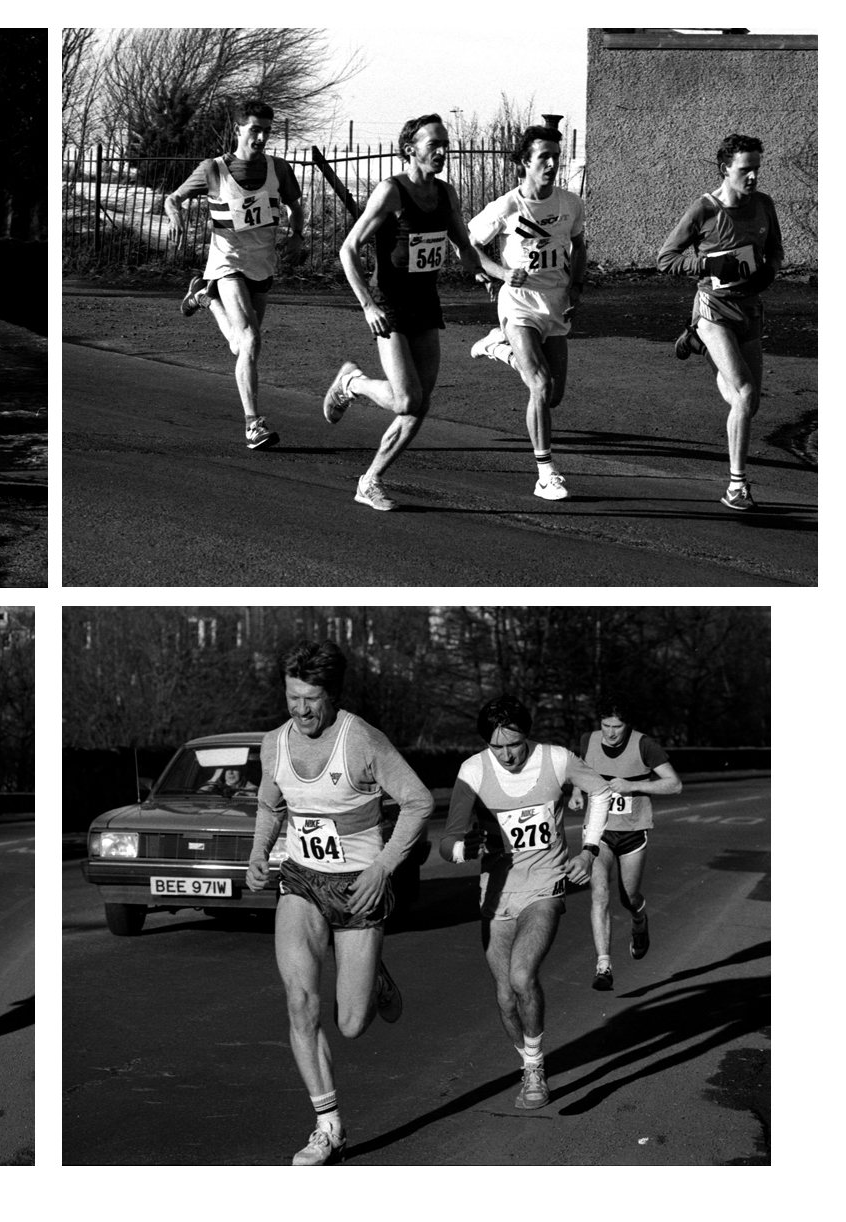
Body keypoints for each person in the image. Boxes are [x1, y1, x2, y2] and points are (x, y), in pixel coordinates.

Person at [244, 640, 431, 1166]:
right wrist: (259, 854)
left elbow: (419, 802)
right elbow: (269, 803)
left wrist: (382, 868)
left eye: (311, 699)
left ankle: (374, 974)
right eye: (292, 697)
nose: (300, 709)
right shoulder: (274, 743)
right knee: (300, 1002)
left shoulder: (363, 741)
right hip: (300, 880)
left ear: (333, 695)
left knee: (351, 1023)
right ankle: (328, 1127)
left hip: (360, 887)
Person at [441, 696, 615, 1111]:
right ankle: (529, 1061)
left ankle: (535, 1071)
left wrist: (588, 850)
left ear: (527, 735)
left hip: (545, 884)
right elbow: (447, 843)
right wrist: (467, 849)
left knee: (522, 976)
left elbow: (602, 793)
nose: (506, 755)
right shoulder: (473, 771)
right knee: (504, 996)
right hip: (497, 893)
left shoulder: (556, 760)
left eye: (513, 744)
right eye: (497, 747)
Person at [322, 115, 487, 511]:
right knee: (405, 401)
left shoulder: (447, 194)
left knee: (420, 404)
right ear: (411, 149)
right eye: (435, 144)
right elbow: (348, 249)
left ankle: (370, 481)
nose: (444, 151)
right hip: (390, 304)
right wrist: (367, 305)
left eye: (446, 143)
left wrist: (489, 274)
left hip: (426, 303)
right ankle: (353, 383)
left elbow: (465, 248)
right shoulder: (391, 192)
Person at [163, 100, 306, 450]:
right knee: (252, 340)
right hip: (227, 264)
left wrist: (298, 235)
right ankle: (253, 424)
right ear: (238, 130)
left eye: (267, 131)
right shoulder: (214, 169)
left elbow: (295, 205)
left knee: (240, 345)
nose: (261, 137)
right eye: (255, 129)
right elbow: (172, 198)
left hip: (262, 264)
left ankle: (206, 299)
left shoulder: (280, 169)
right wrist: (174, 215)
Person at [657, 133, 784, 511]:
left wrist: (769, 272)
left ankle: (699, 344)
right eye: (746, 170)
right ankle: (737, 485)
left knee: (747, 402)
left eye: (757, 169)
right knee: (743, 394)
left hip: (750, 310)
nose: (753, 177)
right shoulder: (705, 209)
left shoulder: (763, 204)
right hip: (714, 308)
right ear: (726, 169)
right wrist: (709, 264)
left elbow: (775, 249)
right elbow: (666, 259)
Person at [466, 126, 587, 501]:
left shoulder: (570, 203)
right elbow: (468, 245)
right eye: (543, 157)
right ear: (524, 163)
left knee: (553, 397)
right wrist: (500, 273)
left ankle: (499, 348)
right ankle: (546, 474)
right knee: (539, 385)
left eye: (556, 156)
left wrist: (577, 284)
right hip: (518, 302)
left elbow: (580, 244)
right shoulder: (507, 207)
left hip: (554, 302)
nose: (552, 163)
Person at [569, 696, 683, 991]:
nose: (610, 733)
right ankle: (603, 965)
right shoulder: (588, 740)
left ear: (627, 725)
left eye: (617, 727)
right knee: (600, 894)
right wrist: (578, 792)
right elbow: (581, 773)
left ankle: (640, 920)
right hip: (599, 832)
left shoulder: (644, 745)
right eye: (606, 725)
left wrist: (633, 784)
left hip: (633, 832)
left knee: (628, 897)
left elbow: (675, 784)